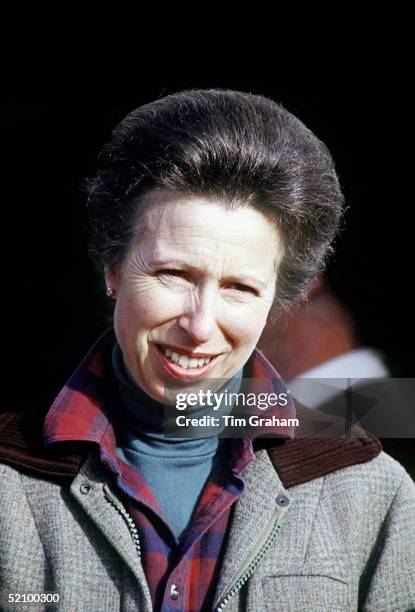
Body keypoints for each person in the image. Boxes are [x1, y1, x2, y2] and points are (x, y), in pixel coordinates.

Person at [0, 89, 414, 611]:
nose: (200, 326)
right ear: (113, 269)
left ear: (276, 301)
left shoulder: (373, 495)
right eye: (173, 274)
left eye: (240, 288)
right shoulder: (8, 486)